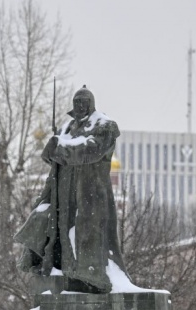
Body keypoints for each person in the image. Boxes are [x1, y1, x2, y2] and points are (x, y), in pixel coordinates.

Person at [15, 85, 128, 293]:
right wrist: (51, 149)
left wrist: (59, 147)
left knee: (86, 239)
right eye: (76, 102)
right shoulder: (67, 128)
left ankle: (91, 279)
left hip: (89, 197)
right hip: (63, 195)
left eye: (83, 101)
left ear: (91, 103)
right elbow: (53, 159)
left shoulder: (105, 126)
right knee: (53, 231)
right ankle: (64, 271)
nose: (79, 106)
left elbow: (89, 150)